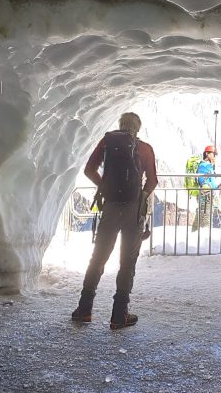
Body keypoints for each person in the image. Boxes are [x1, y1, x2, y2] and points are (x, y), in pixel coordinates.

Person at [71, 112, 157, 329]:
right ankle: (119, 315)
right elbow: (153, 180)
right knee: (127, 262)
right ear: (137, 128)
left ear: (120, 126)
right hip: (133, 211)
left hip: (110, 207)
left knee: (98, 257)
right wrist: (142, 195)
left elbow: (89, 170)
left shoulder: (107, 142)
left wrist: (105, 186)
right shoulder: (144, 148)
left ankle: (84, 309)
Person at [192, 145, 221, 230]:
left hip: (208, 194)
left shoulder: (208, 167)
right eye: (213, 154)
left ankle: (194, 235)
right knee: (205, 219)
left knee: (200, 217)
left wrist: (217, 187)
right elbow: (203, 175)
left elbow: (211, 182)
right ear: (207, 153)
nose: (214, 156)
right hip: (205, 195)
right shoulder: (203, 165)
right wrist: (212, 164)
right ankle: (204, 239)